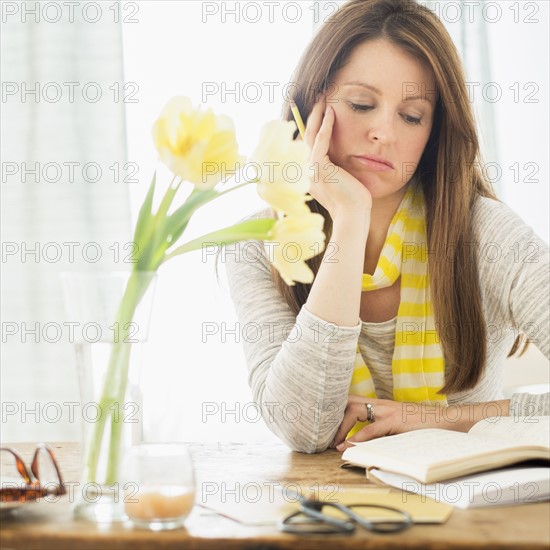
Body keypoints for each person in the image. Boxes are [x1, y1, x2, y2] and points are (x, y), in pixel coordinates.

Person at [224, 0, 549, 453]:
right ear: (308, 109)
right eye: (361, 104)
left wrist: (437, 420)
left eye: (412, 115)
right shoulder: (256, 244)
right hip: (323, 511)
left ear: (433, 131)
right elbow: (303, 427)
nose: (383, 132)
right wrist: (350, 220)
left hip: (466, 513)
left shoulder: (487, 235)